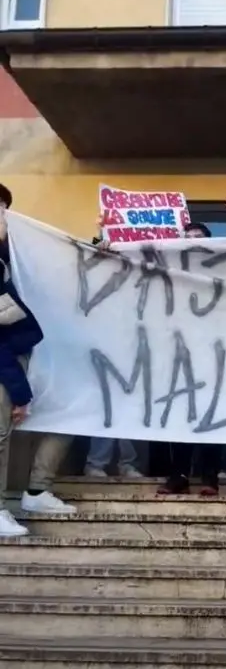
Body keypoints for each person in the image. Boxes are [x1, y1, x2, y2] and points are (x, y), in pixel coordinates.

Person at [0, 183, 77, 538]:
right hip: (11, 364)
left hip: (34, 354)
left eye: (3, 210)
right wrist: (19, 390)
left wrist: (103, 239)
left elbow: (70, 266)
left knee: (72, 409)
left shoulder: (17, 258)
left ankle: (36, 490)